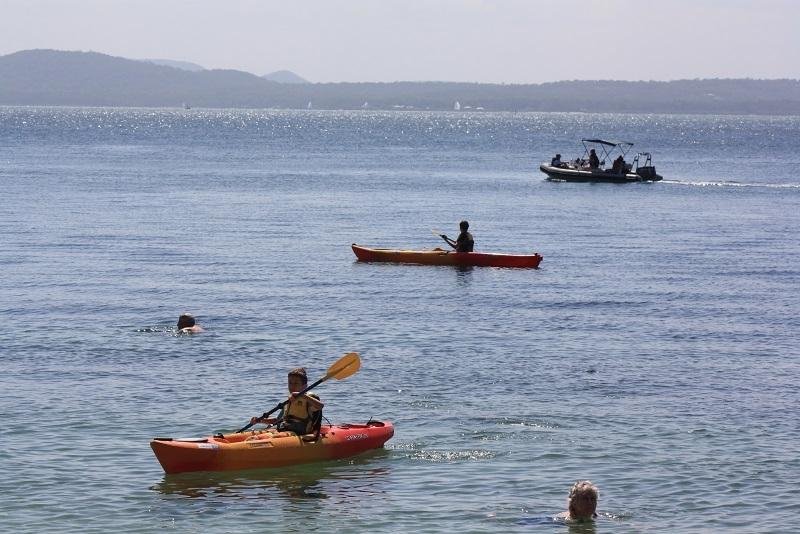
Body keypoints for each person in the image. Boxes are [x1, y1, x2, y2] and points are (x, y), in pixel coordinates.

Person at [250, 367, 324, 440]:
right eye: (290, 383)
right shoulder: (289, 401)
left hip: (298, 432)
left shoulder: (309, 399)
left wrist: (302, 395)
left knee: (273, 438)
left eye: (296, 383)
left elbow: (320, 406)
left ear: (305, 386)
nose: (292, 386)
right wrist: (260, 420)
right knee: (255, 437)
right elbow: (277, 420)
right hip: (283, 428)